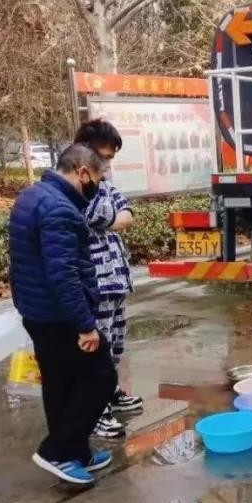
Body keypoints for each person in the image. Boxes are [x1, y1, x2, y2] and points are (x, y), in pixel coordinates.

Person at [9, 145, 117, 486]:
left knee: (61, 383)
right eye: (97, 178)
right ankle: (56, 450)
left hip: (36, 310)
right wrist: (86, 325)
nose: (96, 186)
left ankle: (76, 453)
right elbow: (64, 274)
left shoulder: (32, 196)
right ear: (82, 172)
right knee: (102, 378)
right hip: (60, 316)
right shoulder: (60, 210)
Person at [74, 119, 144, 439]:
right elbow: (99, 215)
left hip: (115, 279)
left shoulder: (104, 183)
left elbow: (126, 215)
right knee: (95, 349)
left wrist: (116, 218)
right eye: (104, 156)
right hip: (93, 283)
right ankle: (94, 408)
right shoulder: (75, 184)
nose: (107, 165)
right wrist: (114, 217)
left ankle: (110, 392)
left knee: (114, 345)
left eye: (111, 158)